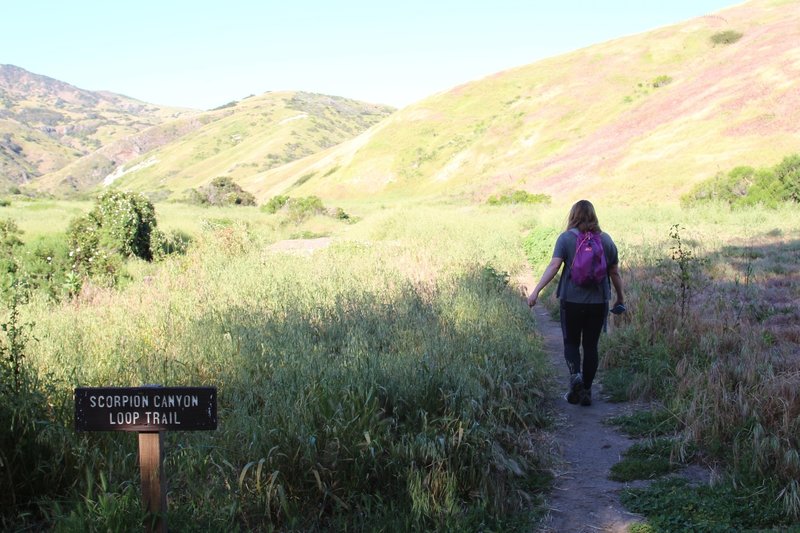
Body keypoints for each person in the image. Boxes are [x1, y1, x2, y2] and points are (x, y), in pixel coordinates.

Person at [527, 200, 625, 406]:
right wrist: (620, 298)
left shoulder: (566, 238)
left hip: (571, 301)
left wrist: (536, 291)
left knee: (571, 343)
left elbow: (554, 266)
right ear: (594, 215)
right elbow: (614, 272)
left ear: (573, 215)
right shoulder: (606, 240)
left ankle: (575, 377)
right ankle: (586, 391)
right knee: (591, 346)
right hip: (598, 303)